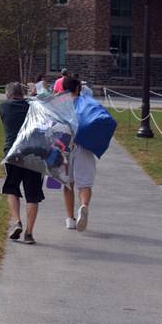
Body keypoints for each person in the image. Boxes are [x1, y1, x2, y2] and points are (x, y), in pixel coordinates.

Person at [0, 82, 43, 245]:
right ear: (23, 94)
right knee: (33, 195)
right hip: (34, 153)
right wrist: (34, 94)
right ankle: (29, 233)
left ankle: (17, 221)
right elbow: (43, 104)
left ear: (8, 94)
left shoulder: (3, 107)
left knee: (12, 188)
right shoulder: (34, 106)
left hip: (12, 153)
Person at [60, 75, 96, 231]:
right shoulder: (87, 103)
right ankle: (83, 206)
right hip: (84, 146)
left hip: (65, 147)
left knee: (68, 183)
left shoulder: (60, 104)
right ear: (78, 88)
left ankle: (70, 219)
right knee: (85, 183)